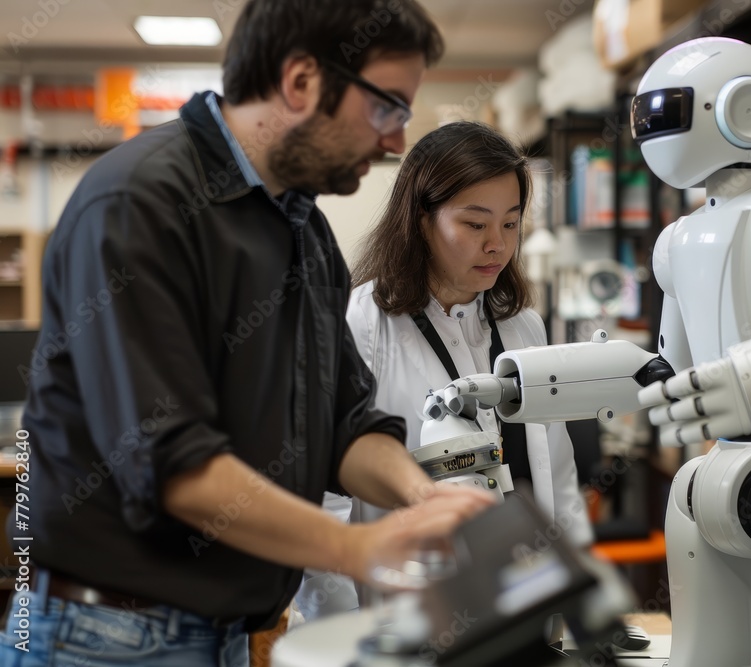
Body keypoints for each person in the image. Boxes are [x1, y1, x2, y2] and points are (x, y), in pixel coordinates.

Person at [0, 1, 494, 665]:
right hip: (104, 637)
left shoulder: (304, 231)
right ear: (300, 82)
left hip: (227, 633)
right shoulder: (140, 204)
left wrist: (425, 497)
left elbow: (346, 423)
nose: (396, 141)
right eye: (387, 108)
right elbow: (170, 464)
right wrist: (356, 548)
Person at [295, 121, 593, 619]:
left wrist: (580, 597)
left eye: (512, 223)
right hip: (407, 615)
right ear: (420, 220)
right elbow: (326, 501)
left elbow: (557, 477)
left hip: (525, 605)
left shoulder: (523, 327)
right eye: (475, 225)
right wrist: (345, 634)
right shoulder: (363, 323)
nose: (497, 244)